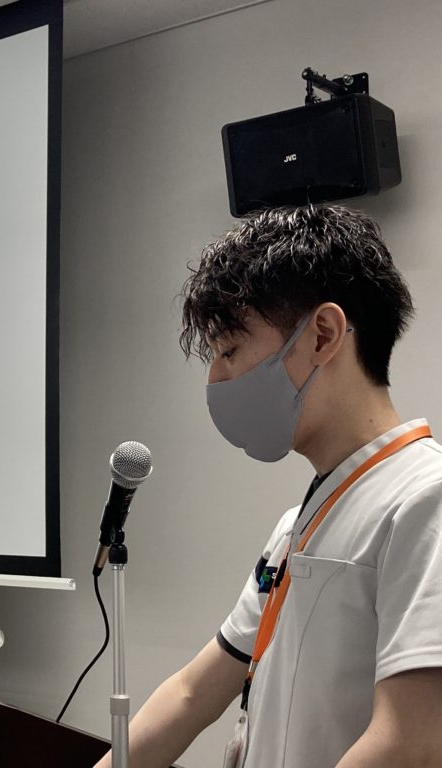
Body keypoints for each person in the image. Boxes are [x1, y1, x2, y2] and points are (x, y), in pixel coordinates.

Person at [95, 205, 442, 768]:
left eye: (229, 351)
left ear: (323, 335)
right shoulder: (297, 526)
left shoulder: (425, 500)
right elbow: (192, 694)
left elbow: (412, 743)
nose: (216, 379)